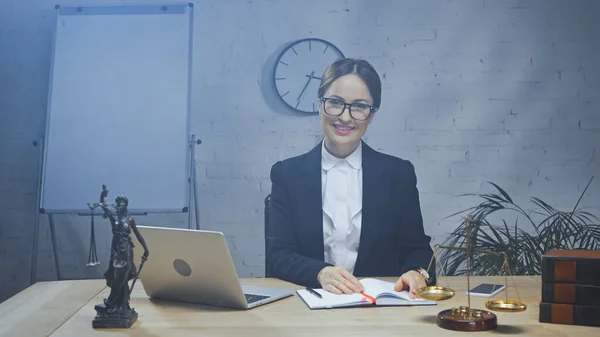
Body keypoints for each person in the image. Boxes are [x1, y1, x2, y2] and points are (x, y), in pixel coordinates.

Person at [266, 58, 436, 298]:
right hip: (308, 307)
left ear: (372, 114)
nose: (345, 117)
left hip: (378, 310)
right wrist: (321, 273)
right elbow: (279, 255)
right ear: (319, 104)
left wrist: (417, 274)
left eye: (359, 106)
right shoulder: (287, 173)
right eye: (335, 103)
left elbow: (418, 250)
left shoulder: (398, 174)